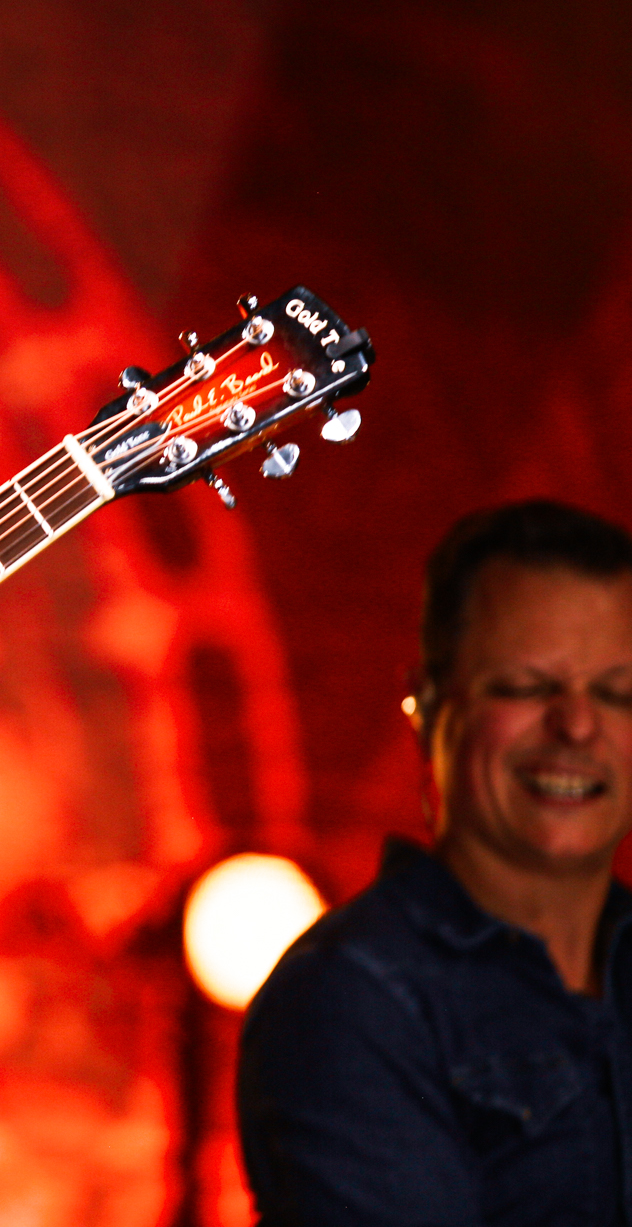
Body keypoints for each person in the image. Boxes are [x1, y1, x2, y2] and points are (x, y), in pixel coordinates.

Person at [238, 499, 632, 1224]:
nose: (578, 724)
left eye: (617, 693)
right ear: (426, 706)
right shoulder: (351, 998)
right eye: (525, 685)